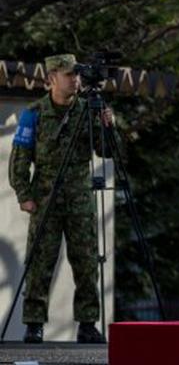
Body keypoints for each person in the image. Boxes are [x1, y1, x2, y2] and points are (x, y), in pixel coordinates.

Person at [8, 54, 113, 343]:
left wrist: (107, 127)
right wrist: (24, 194)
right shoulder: (34, 112)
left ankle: (88, 323)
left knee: (86, 262)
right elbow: (20, 158)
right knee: (40, 262)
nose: (75, 79)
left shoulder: (89, 110)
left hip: (80, 197)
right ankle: (34, 323)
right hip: (45, 198)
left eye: (77, 74)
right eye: (68, 75)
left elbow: (106, 152)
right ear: (52, 77)